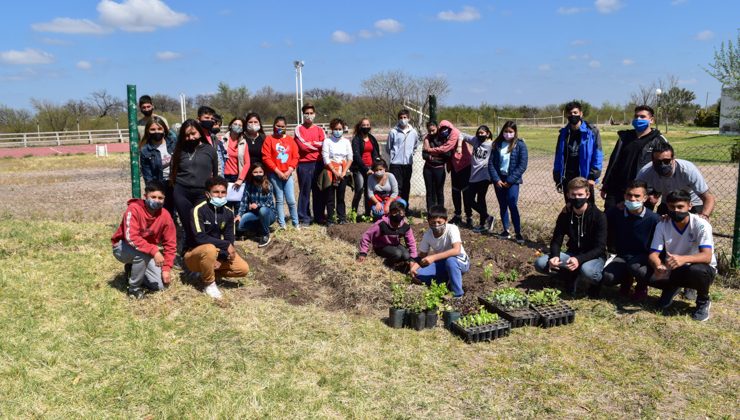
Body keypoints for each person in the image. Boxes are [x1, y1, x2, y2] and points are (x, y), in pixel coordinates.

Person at [648, 189, 716, 321]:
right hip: (674, 267)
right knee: (644, 272)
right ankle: (672, 287)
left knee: (697, 270)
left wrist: (683, 259)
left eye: (680, 207)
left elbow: (707, 256)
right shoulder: (662, 224)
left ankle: (703, 301)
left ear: (689, 206)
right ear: (667, 206)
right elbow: (653, 253)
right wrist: (658, 265)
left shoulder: (701, 224)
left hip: (700, 268)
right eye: (672, 207)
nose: (676, 211)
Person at [534, 177, 607, 297]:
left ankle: (594, 282)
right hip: (572, 253)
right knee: (541, 263)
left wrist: (579, 260)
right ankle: (569, 276)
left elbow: (600, 247)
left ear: (587, 195)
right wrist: (555, 256)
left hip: (594, 256)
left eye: (580, 194)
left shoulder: (599, 216)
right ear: (568, 195)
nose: (577, 198)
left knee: (588, 271)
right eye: (573, 195)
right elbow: (556, 241)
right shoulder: (565, 214)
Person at [184, 176, 249, 299]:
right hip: (194, 253)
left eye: (223, 192)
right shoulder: (198, 210)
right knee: (209, 249)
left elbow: (230, 238)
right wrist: (225, 246)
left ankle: (206, 272)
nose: (220, 195)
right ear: (208, 194)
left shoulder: (229, 212)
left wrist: (223, 257)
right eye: (216, 192)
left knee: (243, 269)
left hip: (216, 251)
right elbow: (200, 237)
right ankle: (209, 284)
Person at [111, 181, 176, 299]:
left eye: (160, 198)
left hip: (147, 251)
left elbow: (170, 244)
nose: (157, 200)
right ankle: (133, 290)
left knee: (160, 285)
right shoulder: (134, 209)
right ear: (145, 196)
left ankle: (132, 270)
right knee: (142, 254)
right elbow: (131, 237)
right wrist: (155, 251)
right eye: (153, 197)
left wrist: (166, 268)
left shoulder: (165, 215)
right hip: (123, 247)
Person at [600, 105, 668, 211]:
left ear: (651, 120)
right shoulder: (624, 137)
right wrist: (606, 185)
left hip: (642, 192)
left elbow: (664, 168)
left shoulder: (659, 140)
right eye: (636, 116)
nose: (638, 119)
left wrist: (656, 193)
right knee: (611, 221)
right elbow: (614, 162)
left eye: (642, 116)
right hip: (617, 190)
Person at [601, 180, 660, 298]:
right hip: (623, 256)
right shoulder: (616, 212)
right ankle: (626, 280)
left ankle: (641, 286)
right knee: (608, 277)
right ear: (624, 196)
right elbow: (598, 219)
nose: (632, 199)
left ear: (645, 198)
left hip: (643, 259)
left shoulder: (654, 219)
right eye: (629, 195)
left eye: (637, 196)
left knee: (637, 269)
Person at [170, 119, 219, 249]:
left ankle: (204, 248)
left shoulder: (210, 150)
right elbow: (173, 171)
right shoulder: (179, 150)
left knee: (200, 222)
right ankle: (190, 249)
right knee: (187, 222)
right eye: (186, 135)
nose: (190, 138)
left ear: (199, 132)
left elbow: (215, 174)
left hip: (202, 193)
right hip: (182, 192)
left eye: (193, 134)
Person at [636, 141, 715, 217]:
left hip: (691, 202)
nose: (662, 165)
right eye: (658, 162)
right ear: (652, 161)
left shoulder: (688, 170)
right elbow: (634, 191)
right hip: (668, 202)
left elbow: (708, 197)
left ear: (673, 159)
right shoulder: (646, 172)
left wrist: (704, 216)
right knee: (660, 223)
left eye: (666, 161)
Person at [410, 205, 470, 298]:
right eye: (433, 222)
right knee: (419, 275)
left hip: (460, 260)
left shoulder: (452, 228)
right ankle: (446, 283)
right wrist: (414, 267)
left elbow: (456, 250)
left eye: (439, 222)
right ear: (428, 221)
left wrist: (433, 257)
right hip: (442, 262)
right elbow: (422, 255)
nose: (436, 225)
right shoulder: (428, 234)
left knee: (451, 261)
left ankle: (458, 295)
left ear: (446, 221)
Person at [553, 101, 603, 204]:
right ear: (567, 115)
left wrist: (592, 177)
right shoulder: (563, 133)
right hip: (568, 177)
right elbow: (558, 156)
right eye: (570, 113)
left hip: (585, 177)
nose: (573, 115)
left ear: (581, 114)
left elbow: (597, 155)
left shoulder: (592, 132)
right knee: (570, 206)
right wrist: (557, 176)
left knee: (588, 208)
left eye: (575, 113)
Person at [488, 120, 528, 243]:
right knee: (502, 205)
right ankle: (506, 230)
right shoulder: (497, 144)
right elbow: (491, 164)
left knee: (512, 204)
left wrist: (510, 180)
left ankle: (518, 232)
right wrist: (497, 179)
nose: (508, 134)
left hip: (513, 181)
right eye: (506, 131)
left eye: (510, 132)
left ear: (515, 132)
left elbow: (522, 165)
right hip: (499, 180)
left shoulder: (520, 145)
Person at [261, 116, 300, 229]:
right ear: (274, 126)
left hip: (288, 173)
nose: (280, 128)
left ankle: (295, 223)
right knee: (279, 199)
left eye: (282, 126)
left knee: (291, 200)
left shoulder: (290, 140)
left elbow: (295, 156)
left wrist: (290, 170)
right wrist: (277, 171)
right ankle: (282, 224)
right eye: (278, 126)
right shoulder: (269, 139)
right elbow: (266, 157)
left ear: (286, 127)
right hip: (274, 174)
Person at [357, 200, 418, 270]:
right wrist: (363, 253)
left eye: (400, 213)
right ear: (390, 213)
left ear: (404, 214)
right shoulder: (381, 224)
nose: (398, 215)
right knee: (397, 254)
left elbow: (411, 242)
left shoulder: (405, 226)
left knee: (406, 256)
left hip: (395, 245)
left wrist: (413, 259)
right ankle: (386, 265)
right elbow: (366, 236)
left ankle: (398, 265)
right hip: (381, 246)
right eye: (395, 212)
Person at [294, 103, 326, 226]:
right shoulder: (298, 129)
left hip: (318, 163)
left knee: (318, 191)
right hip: (304, 164)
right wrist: (315, 144)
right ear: (303, 114)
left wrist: (312, 144)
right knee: (305, 192)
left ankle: (319, 216)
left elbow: (324, 144)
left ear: (315, 114)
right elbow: (302, 146)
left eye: (311, 113)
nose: (309, 115)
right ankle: (304, 217)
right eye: (306, 113)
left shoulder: (320, 130)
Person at [139, 117, 176, 216]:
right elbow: (147, 175)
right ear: (148, 131)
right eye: (153, 129)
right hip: (159, 183)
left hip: (175, 183)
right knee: (162, 212)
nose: (156, 132)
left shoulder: (174, 143)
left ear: (164, 129)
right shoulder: (145, 150)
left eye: (159, 129)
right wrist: (153, 190)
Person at [320, 118, 353, 225]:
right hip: (330, 171)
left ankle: (342, 218)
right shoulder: (327, 141)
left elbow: (350, 158)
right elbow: (325, 158)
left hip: (343, 171)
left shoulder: (346, 141)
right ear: (332, 129)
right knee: (330, 198)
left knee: (341, 197)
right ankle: (330, 219)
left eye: (340, 129)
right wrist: (334, 171)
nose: (338, 131)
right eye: (336, 129)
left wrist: (344, 172)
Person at [236, 162, 276, 247]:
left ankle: (265, 234)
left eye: (260, 172)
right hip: (254, 214)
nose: (258, 174)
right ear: (252, 173)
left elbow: (269, 203)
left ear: (264, 173)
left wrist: (258, 205)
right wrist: (239, 215)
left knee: (263, 210)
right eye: (255, 172)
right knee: (240, 226)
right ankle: (257, 228)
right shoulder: (249, 185)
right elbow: (244, 201)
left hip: (268, 214)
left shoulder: (268, 185)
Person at [464, 125, 495, 233]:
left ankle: (482, 224)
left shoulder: (492, 145)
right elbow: (462, 135)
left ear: (488, 133)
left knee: (481, 199)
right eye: (479, 132)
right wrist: (459, 144)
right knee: (469, 200)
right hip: (473, 176)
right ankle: (488, 217)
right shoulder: (475, 141)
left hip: (484, 177)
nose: (480, 134)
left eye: (482, 133)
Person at [386, 109, 420, 205]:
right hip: (396, 164)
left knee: (406, 186)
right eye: (401, 118)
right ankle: (396, 207)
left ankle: (405, 207)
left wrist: (410, 155)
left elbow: (415, 146)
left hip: (407, 164)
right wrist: (395, 156)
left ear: (409, 118)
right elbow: (388, 147)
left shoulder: (413, 132)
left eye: (405, 117)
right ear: (398, 119)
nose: (403, 119)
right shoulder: (393, 132)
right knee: (397, 186)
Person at [445, 120, 474, 228]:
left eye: (446, 129)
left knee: (466, 193)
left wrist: (460, 145)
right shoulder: (446, 139)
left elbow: (460, 134)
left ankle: (469, 217)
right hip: (454, 168)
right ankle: (457, 215)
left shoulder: (457, 135)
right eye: (442, 129)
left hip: (465, 167)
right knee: (455, 192)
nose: (444, 131)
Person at [350, 117, 380, 218]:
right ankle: (353, 213)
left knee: (369, 192)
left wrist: (376, 166)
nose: (366, 127)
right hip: (359, 169)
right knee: (359, 190)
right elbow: (356, 156)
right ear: (360, 126)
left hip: (371, 168)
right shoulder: (356, 139)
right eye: (364, 125)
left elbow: (376, 153)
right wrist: (366, 169)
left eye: (368, 125)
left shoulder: (372, 139)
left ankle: (367, 214)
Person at [422, 120, 454, 211]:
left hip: (439, 169)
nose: (431, 133)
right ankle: (430, 212)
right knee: (429, 191)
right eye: (429, 131)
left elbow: (447, 155)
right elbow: (424, 155)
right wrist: (436, 155)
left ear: (437, 128)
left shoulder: (443, 138)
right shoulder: (427, 139)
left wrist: (432, 153)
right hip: (428, 169)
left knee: (439, 191)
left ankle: (440, 211)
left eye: (433, 130)